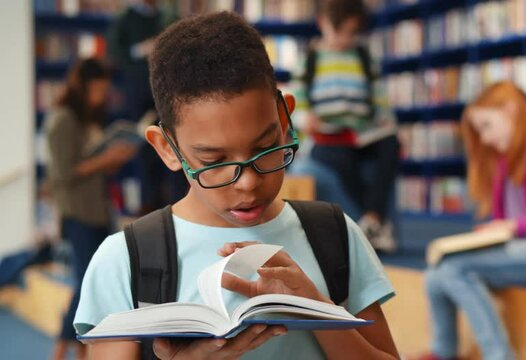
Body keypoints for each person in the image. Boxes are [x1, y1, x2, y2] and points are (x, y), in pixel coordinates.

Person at [74, 12, 399, 360]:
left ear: (285, 121)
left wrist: (317, 310)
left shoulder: (335, 234)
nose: (247, 183)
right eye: (214, 162)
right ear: (167, 149)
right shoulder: (124, 259)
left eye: (264, 148)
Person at [417, 82, 526, 360]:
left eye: (487, 126)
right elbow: (510, 216)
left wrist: (513, 227)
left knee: (454, 268)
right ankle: (443, 351)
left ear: (511, 111)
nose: (485, 138)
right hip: (520, 245)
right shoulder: (508, 157)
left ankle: (499, 356)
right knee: (434, 274)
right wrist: (495, 232)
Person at [45, 58, 137, 360]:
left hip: (98, 209)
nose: (102, 96)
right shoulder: (62, 120)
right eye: (98, 89)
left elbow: (90, 168)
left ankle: (81, 351)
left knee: (95, 281)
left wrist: (112, 161)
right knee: (86, 281)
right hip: (77, 213)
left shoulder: (88, 119)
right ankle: (60, 349)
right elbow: (64, 173)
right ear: (82, 86)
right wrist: (104, 159)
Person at [293, 0, 400, 252]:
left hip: (363, 133)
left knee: (390, 145)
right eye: (339, 31)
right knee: (340, 157)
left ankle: (372, 219)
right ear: (322, 24)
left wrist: (387, 125)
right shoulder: (309, 60)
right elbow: (297, 101)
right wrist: (304, 118)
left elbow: (379, 99)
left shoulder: (363, 57)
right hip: (327, 137)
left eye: (352, 32)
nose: (345, 39)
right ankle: (370, 225)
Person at [107, 0, 184, 214]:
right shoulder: (126, 19)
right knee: (144, 146)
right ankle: (150, 203)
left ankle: (180, 202)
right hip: (139, 91)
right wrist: (140, 50)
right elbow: (115, 51)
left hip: (167, 89)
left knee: (175, 141)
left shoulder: (168, 16)